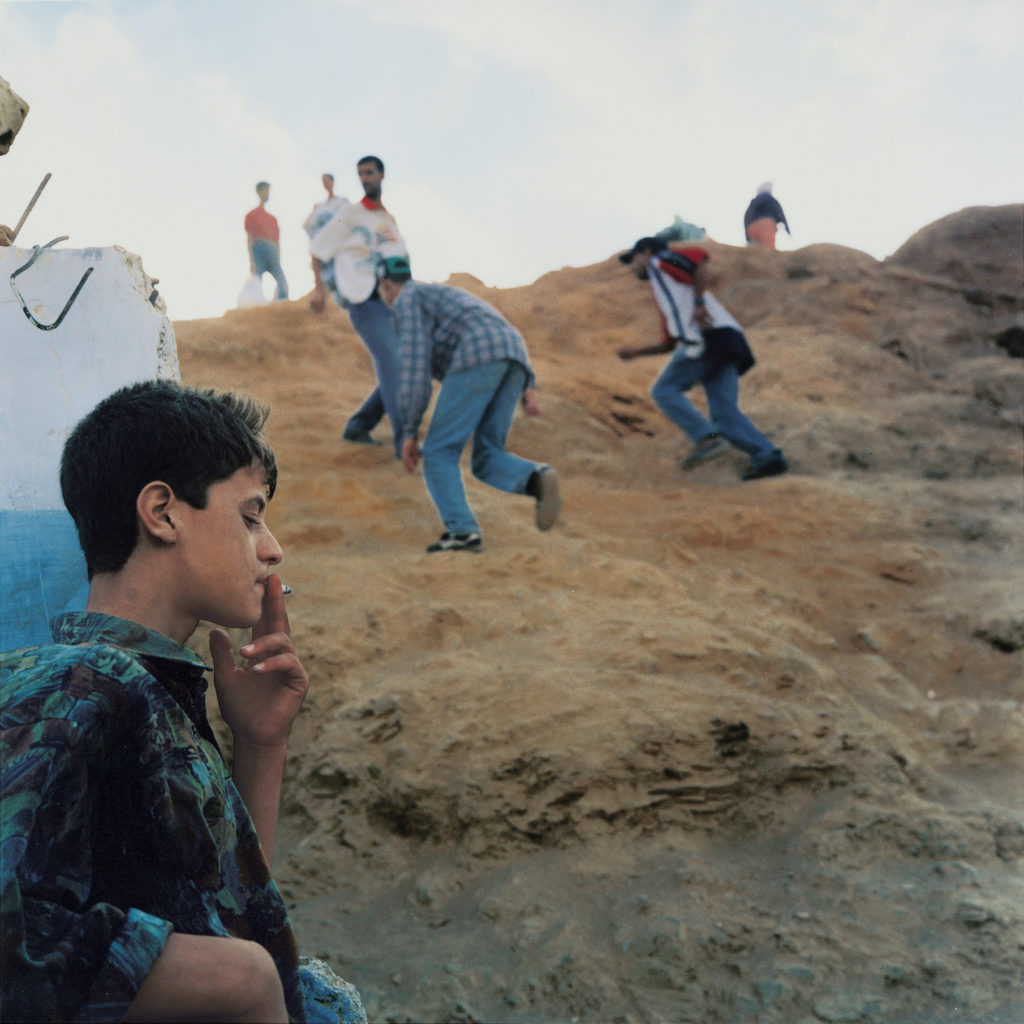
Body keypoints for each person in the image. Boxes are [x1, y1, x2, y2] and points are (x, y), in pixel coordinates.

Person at [0, 381, 365, 1024]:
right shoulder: (81, 681)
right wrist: (239, 983)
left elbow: (222, 921)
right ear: (163, 512)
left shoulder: (143, 688)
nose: (272, 547)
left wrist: (260, 743)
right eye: (250, 516)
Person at [377, 258, 561, 552]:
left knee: (438, 452)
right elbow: (499, 328)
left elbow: (415, 371)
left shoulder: (407, 300)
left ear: (386, 285)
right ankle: (536, 477)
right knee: (487, 455)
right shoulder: (440, 294)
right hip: (513, 356)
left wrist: (410, 430)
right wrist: (528, 384)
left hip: (475, 356)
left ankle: (463, 533)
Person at [616, 237, 788, 481]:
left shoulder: (659, 261)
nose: (631, 267)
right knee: (724, 416)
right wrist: (636, 352)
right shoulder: (671, 296)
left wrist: (698, 305)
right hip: (727, 340)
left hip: (709, 338)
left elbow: (698, 259)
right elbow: (670, 342)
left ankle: (706, 439)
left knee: (664, 390)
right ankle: (768, 457)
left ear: (646, 252)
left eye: (633, 260)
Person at [309, 155, 408, 455]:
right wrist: (319, 289)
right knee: (392, 361)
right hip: (362, 298)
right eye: (360, 174)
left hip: (392, 302)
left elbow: (401, 265)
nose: (365, 178)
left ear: (382, 175)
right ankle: (406, 440)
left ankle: (358, 427)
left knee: (404, 363)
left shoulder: (388, 221)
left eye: (370, 173)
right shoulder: (349, 214)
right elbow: (317, 249)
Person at [245, 180, 289, 300]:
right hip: (258, 250)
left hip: (272, 252)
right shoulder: (251, 215)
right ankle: (254, 307)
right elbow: (249, 238)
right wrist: (251, 260)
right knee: (255, 283)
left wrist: (278, 257)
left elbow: (277, 241)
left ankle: (279, 308)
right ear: (259, 192)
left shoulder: (273, 219)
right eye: (265, 191)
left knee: (283, 286)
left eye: (268, 191)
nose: (267, 194)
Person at [743, 182, 790, 250]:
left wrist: (747, 236)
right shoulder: (770, 198)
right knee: (769, 250)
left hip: (751, 228)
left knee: (757, 250)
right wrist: (788, 230)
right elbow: (780, 212)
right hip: (766, 226)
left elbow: (747, 215)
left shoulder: (753, 202)